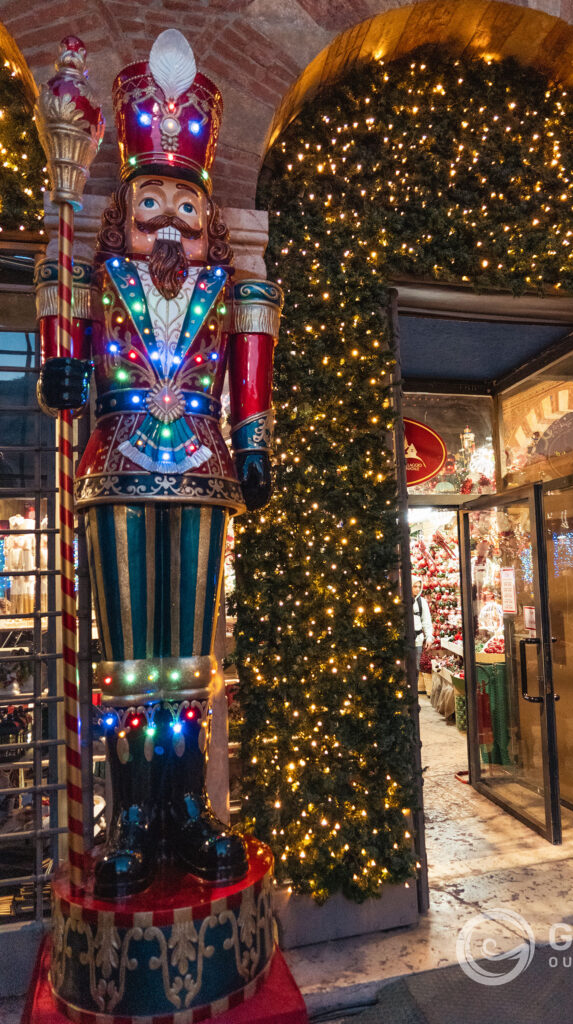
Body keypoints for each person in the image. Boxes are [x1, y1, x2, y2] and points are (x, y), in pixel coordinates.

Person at [35, 31, 283, 898]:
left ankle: (187, 807)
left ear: (207, 218)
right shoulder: (89, 277)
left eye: (186, 204)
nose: (169, 220)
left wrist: (252, 449)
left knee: (188, 653)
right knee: (128, 653)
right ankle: (132, 810)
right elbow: (61, 375)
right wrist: (60, 365)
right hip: (117, 467)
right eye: (153, 201)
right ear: (126, 207)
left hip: (205, 474)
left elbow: (249, 387)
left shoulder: (237, 292)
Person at [412, 577, 433, 667]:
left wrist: (429, 637)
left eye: (419, 587)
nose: (417, 589)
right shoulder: (401, 600)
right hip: (403, 641)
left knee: (415, 669)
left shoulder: (422, 602)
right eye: (415, 586)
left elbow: (426, 621)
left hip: (417, 641)